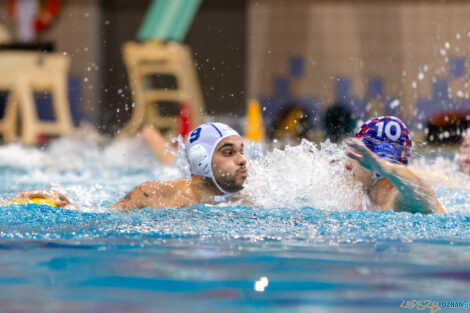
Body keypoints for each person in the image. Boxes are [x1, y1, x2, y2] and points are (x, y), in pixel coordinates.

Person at [15, 123, 248, 210]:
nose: (242, 160)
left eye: (241, 151)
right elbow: (98, 215)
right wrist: (59, 204)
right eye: (228, 152)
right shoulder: (155, 194)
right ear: (200, 161)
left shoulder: (252, 201)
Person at [345, 116, 446, 214]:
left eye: (355, 156)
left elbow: (424, 195)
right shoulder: (360, 196)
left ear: (376, 163)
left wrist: (385, 167)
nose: (347, 165)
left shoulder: (400, 200)